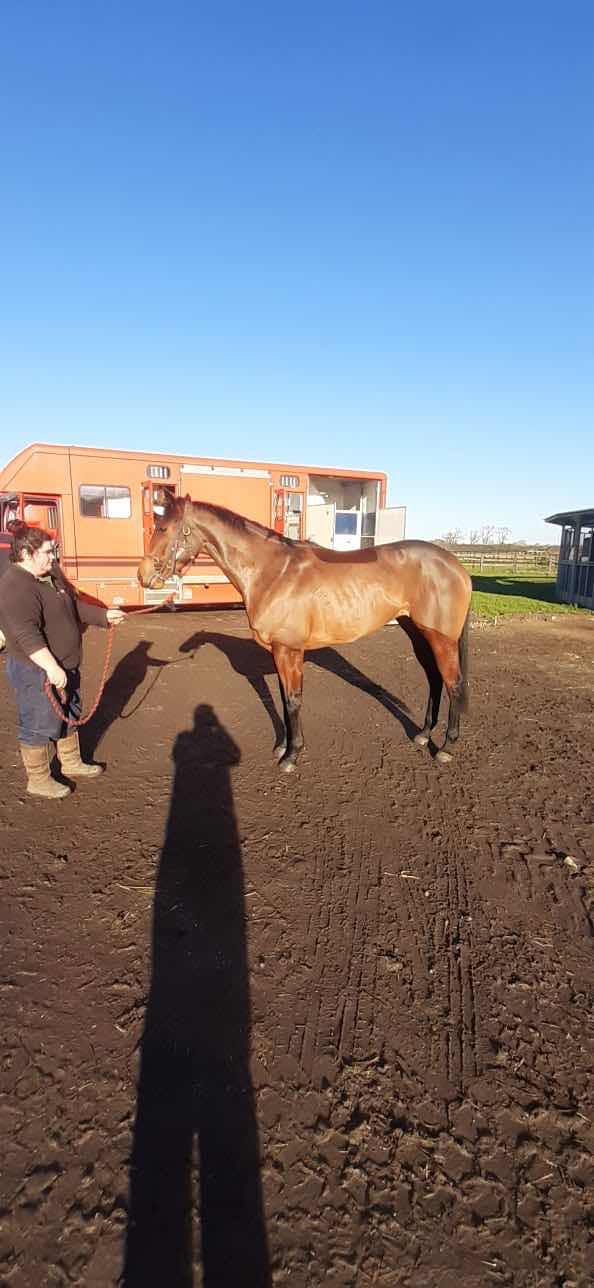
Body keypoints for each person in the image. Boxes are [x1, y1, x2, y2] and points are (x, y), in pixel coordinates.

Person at [0, 521, 125, 799]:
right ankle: (38, 779)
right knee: (37, 722)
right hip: (37, 671)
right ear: (27, 553)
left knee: (69, 713)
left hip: (65, 666)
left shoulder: (50, 576)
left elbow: (73, 606)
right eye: (47, 552)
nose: (53, 557)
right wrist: (51, 667)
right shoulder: (14, 586)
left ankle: (71, 762)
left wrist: (104, 616)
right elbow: (26, 635)